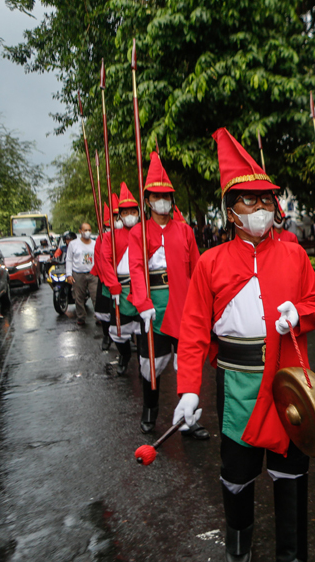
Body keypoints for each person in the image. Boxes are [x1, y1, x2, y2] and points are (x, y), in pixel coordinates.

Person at [174, 128, 315, 562]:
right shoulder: (211, 263)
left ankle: (291, 553)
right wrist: (188, 388)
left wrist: (300, 311)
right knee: (237, 472)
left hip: (288, 381)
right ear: (230, 211)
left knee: (292, 471)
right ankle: (239, 543)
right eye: (250, 200)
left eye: (267, 199)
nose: (261, 208)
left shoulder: (295, 255)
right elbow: (194, 332)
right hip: (236, 383)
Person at [128, 152, 206, 439]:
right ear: (148, 200)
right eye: (157, 196)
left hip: (183, 304)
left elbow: (197, 268)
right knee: (151, 363)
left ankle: (188, 418)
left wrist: (203, 303)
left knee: (188, 361)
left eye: (167, 196)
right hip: (154, 307)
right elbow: (136, 269)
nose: (162, 201)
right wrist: (143, 302)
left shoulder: (185, 231)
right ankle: (150, 411)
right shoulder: (138, 232)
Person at [97, 183, 143, 376]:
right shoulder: (110, 238)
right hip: (120, 288)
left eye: (134, 211)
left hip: (141, 286)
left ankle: (145, 362)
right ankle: (124, 355)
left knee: (145, 327)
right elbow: (104, 261)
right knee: (119, 330)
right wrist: (112, 283)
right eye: (126, 212)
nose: (130, 215)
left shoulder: (145, 233)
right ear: (120, 216)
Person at [92, 197, 118, 350]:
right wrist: (108, 279)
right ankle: (106, 336)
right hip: (106, 280)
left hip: (124, 280)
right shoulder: (101, 240)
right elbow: (100, 260)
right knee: (105, 311)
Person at [66, 222, 98, 326]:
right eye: (85, 230)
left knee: (96, 296)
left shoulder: (95, 243)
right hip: (78, 274)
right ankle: (81, 317)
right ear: (80, 231)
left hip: (93, 274)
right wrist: (69, 275)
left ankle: (98, 317)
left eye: (89, 230)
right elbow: (69, 259)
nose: (88, 232)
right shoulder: (73, 244)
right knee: (79, 297)